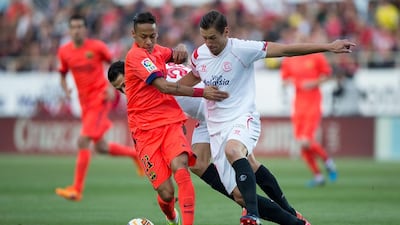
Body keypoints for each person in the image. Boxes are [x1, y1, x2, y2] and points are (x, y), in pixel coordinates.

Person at [177, 10, 355, 225]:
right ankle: (296, 220)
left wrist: (328, 46)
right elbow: (186, 83)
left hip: (243, 118)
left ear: (226, 31)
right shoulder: (199, 55)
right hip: (216, 128)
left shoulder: (242, 49)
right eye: (204, 38)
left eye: (213, 38)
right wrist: (159, 90)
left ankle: (252, 216)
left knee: (233, 150)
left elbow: (286, 50)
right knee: (241, 191)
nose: (209, 43)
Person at [108, 60, 311, 225]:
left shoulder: (152, 84)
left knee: (244, 180)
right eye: (121, 89)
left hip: (218, 109)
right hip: (205, 113)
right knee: (199, 162)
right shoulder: (155, 66)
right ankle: (276, 209)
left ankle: (290, 218)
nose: (126, 91)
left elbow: (170, 96)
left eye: (125, 83)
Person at [124, 12, 229, 225]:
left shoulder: (158, 51)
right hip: (144, 131)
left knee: (182, 168)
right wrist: (203, 92)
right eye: (143, 37)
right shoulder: (135, 57)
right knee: (166, 193)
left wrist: (181, 49)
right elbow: (163, 86)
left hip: (170, 122)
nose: (149, 42)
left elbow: (176, 54)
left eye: (153, 36)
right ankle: (171, 215)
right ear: (133, 34)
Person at [54, 14, 143, 202]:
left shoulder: (96, 47)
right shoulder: (64, 52)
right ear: (69, 30)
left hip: (100, 98)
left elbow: (115, 65)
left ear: (85, 29)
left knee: (83, 141)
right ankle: (135, 155)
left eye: (80, 26)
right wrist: (65, 89)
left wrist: (112, 88)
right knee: (101, 147)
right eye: (73, 27)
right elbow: (62, 73)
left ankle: (76, 189)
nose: (77, 30)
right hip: (84, 103)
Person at [280, 33, 338, 187]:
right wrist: (291, 81)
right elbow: (284, 79)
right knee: (301, 143)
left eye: (303, 39)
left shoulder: (316, 56)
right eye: (298, 39)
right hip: (298, 105)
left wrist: (314, 83)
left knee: (306, 141)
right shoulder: (289, 59)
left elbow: (327, 75)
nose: (300, 42)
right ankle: (318, 176)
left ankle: (328, 161)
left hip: (313, 103)